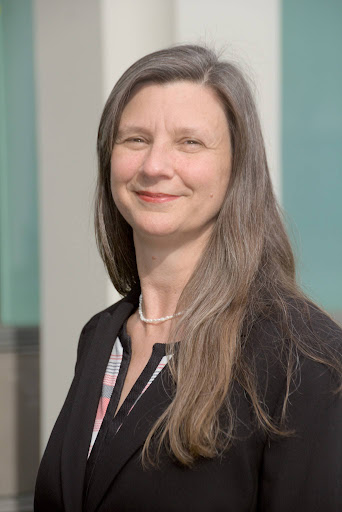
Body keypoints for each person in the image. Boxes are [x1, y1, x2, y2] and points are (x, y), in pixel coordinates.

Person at [34, 45, 342, 512]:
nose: (155, 166)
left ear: (238, 168)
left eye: (190, 142)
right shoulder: (100, 337)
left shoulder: (302, 356)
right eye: (135, 139)